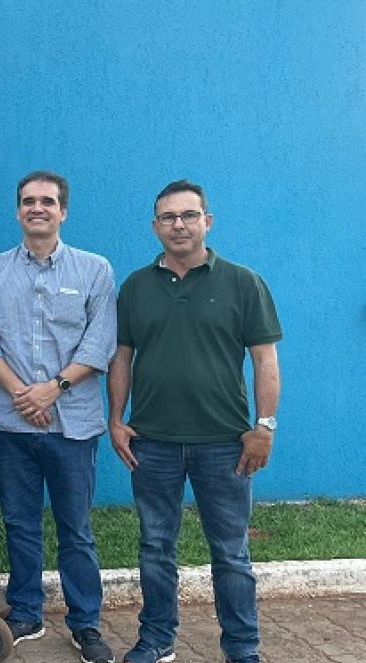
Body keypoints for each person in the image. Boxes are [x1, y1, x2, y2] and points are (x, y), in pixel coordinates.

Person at [108, 180, 281, 663]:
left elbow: (265, 361)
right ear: (154, 226)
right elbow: (122, 357)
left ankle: (243, 648)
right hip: (152, 443)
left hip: (226, 444)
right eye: (168, 217)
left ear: (208, 221)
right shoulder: (136, 287)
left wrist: (264, 427)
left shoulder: (244, 282)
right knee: (155, 548)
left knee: (230, 554)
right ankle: (157, 639)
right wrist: (115, 419)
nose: (178, 225)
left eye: (188, 215)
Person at [0, 171, 117, 662]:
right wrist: (23, 396)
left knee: (76, 527)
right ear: (17, 211)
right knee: (20, 521)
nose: (38, 208)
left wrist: (52, 391)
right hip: (10, 425)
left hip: (73, 424)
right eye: (29, 201)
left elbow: (100, 345)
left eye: (47, 201)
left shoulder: (95, 270)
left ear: (63, 211)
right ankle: (27, 610)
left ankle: (85, 623)